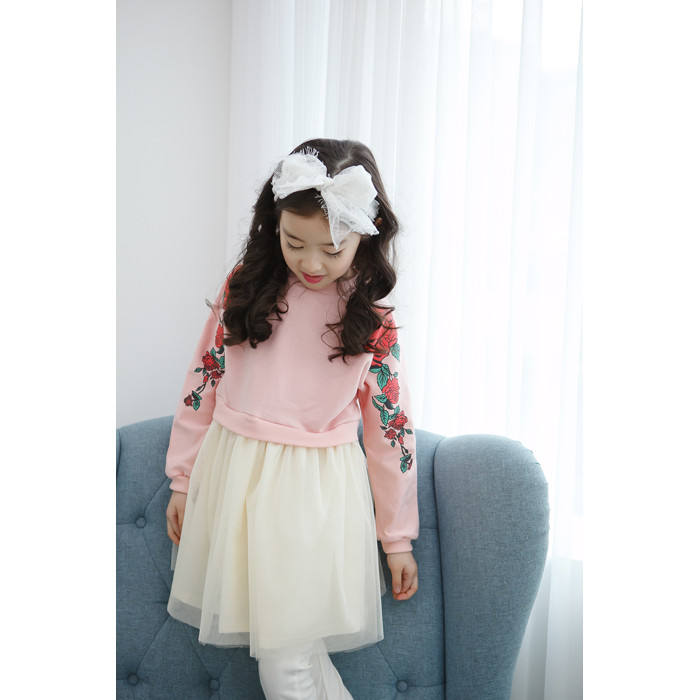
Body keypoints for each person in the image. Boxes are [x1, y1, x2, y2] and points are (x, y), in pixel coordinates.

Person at [164, 139, 419, 699]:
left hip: (315, 497)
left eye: (332, 249)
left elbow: (390, 432)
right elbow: (204, 378)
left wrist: (396, 538)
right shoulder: (247, 287)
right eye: (294, 242)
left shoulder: (369, 318)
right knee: (297, 655)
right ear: (273, 225)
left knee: (287, 662)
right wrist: (182, 479)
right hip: (236, 479)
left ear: (366, 235)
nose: (311, 263)